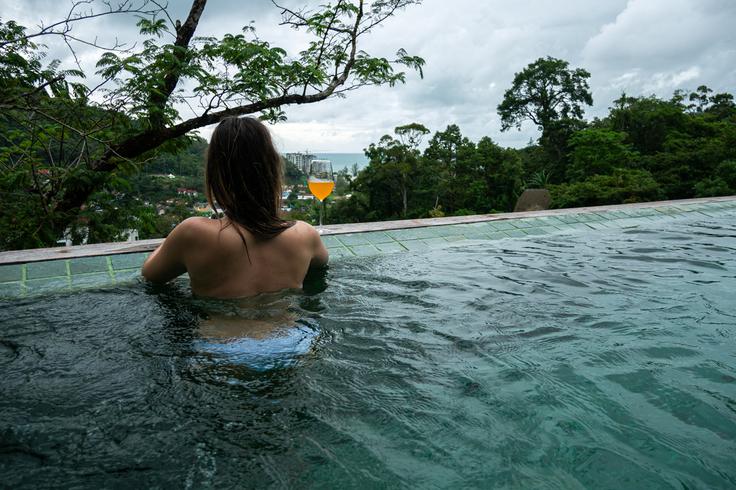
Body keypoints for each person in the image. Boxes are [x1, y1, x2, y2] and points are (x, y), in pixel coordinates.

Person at [142, 116, 328, 298]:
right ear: (272, 172)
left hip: (219, 328)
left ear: (216, 175)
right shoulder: (305, 235)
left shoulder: (192, 233)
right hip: (290, 328)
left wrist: (171, 243)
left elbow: (150, 275)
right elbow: (321, 266)